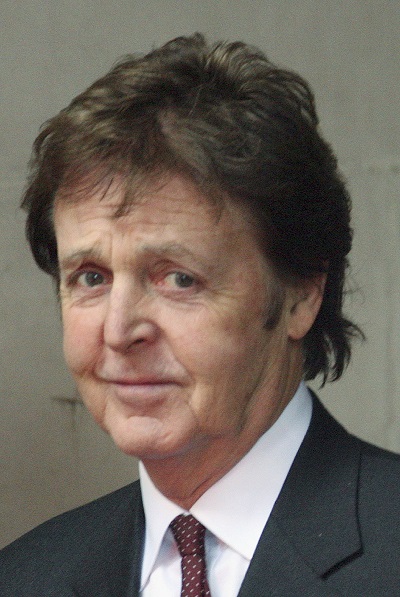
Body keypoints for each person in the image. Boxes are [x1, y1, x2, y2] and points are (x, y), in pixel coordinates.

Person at [0, 33, 399, 597]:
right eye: (91, 278)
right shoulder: (24, 578)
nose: (118, 331)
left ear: (301, 294)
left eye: (178, 278)